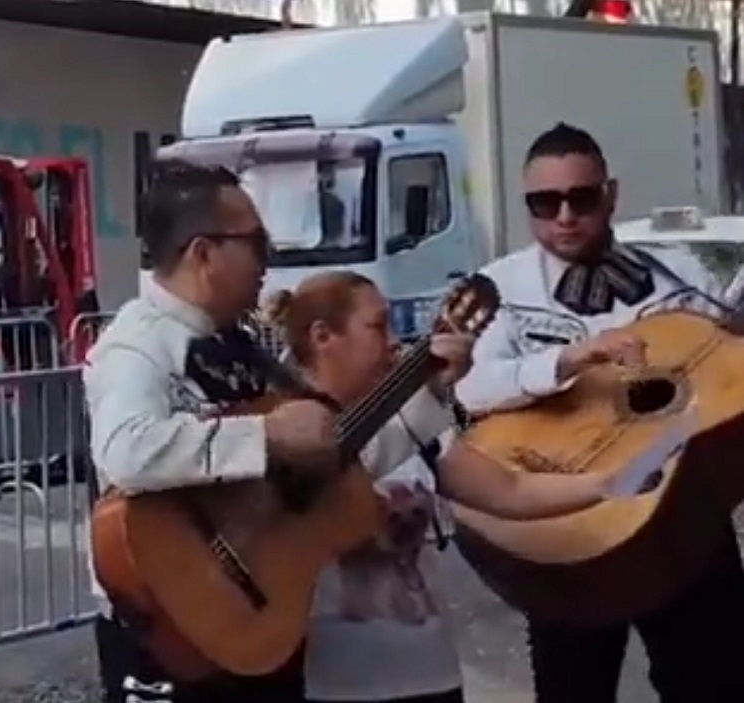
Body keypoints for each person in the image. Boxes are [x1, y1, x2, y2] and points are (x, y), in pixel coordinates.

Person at [455, 122, 744, 702]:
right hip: (569, 526)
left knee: (717, 685)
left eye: (581, 198)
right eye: (544, 202)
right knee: (573, 692)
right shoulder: (497, 290)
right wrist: (563, 361)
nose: (564, 215)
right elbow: (470, 390)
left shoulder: (680, 278)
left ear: (609, 195)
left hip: (682, 514)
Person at [264, 271, 642, 703]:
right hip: (333, 686)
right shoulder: (280, 433)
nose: (393, 341)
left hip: (432, 678)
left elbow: (511, 490)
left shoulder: (417, 422)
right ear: (323, 336)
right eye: (377, 325)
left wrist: (611, 482)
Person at [84, 159, 336, 703]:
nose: (267, 263)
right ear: (203, 253)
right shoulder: (138, 345)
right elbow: (127, 449)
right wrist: (266, 436)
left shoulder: (237, 343)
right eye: (255, 244)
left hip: (251, 609)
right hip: (171, 626)